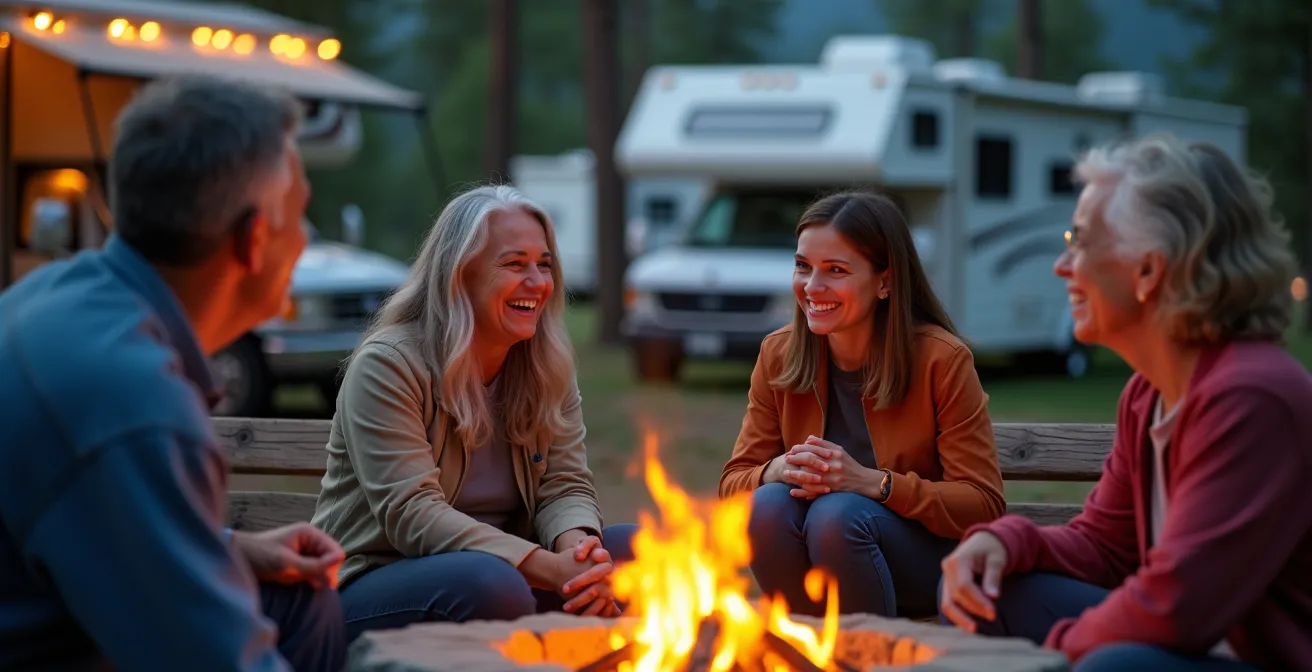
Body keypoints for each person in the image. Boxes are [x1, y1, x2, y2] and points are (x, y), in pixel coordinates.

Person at [0, 75, 347, 671]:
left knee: (294, 598)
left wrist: (229, 547)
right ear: (255, 239)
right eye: (300, 216)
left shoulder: (54, 297)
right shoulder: (134, 404)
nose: (305, 241)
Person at [938, 134, 1312, 671]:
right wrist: (1004, 541)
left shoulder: (1251, 398)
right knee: (985, 594)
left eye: (1080, 241)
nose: (1062, 265)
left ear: (1148, 271)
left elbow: (1176, 607)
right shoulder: (1148, 393)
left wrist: (1057, 652)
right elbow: (1108, 548)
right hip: (1196, 646)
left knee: (1113, 667)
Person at [310, 184, 636, 640]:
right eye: (514, 264)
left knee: (636, 557)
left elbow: (565, 484)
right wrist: (545, 567)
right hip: (375, 584)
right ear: (459, 275)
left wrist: (580, 553)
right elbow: (413, 515)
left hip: (510, 577)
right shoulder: (389, 365)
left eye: (544, 264)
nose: (538, 283)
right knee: (491, 585)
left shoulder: (545, 365)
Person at [719, 191, 1006, 620]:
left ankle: (868, 657)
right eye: (803, 267)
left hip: (925, 559)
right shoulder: (778, 354)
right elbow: (730, 489)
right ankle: (809, 657)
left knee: (836, 515)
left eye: (835, 271)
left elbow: (982, 503)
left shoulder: (941, 360)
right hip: (816, 562)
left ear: (885, 281)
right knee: (766, 506)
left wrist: (873, 483)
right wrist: (774, 470)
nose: (813, 287)